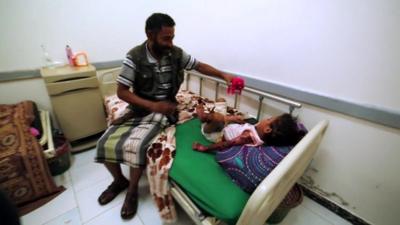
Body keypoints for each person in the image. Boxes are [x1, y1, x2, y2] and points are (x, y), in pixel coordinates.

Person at [95, 13, 235, 220]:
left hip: (165, 109)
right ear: (149, 34)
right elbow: (122, 92)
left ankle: (132, 191)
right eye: (166, 38)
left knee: (136, 145)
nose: (171, 43)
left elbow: (199, 66)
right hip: (142, 106)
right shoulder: (134, 57)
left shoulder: (176, 53)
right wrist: (152, 105)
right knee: (103, 142)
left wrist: (223, 75)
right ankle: (119, 181)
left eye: (172, 37)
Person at [193, 110, 303, 152]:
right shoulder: (258, 135)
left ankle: (201, 116)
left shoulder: (247, 137)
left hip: (216, 134)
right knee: (223, 114)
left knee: (216, 118)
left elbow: (225, 144)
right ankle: (207, 115)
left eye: (269, 119)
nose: (266, 119)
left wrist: (205, 148)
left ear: (267, 129)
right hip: (226, 128)